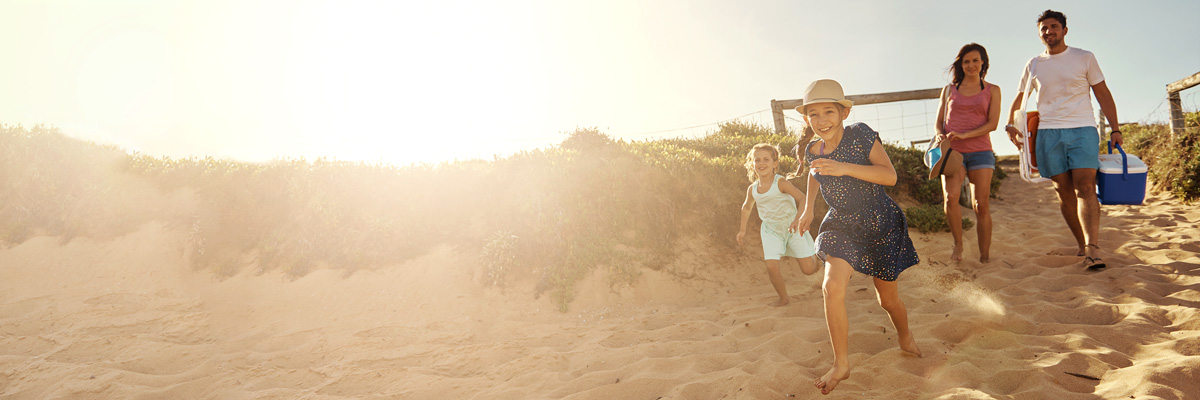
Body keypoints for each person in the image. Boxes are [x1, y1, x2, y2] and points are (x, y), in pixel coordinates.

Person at [795, 79, 922, 395]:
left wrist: (845, 168)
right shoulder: (813, 149)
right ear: (806, 119)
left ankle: (904, 335)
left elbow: (889, 176)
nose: (822, 120)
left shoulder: (861, 135)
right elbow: (815, 173)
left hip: (880, 222)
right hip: (841, 224)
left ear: (843, 113)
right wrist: (809, 208)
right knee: (831, 285)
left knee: (887, 300)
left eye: (828, 112)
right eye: (814, 114)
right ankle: (842, 363)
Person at [1004, 9, 1122, 270]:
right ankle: (1083, 245)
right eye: (1044, 28)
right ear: (1039, 33)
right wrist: (1011, 124)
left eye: (1054, 26)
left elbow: (1102, 93)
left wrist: (1115, 128)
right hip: (1048, 132)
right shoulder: (1033, 64)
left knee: (1085, 187)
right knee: (1063, 191)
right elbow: (1020, 98)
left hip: (1082, 129)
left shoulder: (1084, 57)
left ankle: (1093, 247)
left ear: (1065, 30)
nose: (1049, 31)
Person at [934, 43, 1001, 263]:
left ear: (983, 62)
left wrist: (966, 135)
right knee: (950, 197)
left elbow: (992, 124)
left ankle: (985, 256)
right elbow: (939, 123)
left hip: (981, 151)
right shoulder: (948, 90)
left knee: (980, 205)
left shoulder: (992, 90)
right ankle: (958, 246)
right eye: (966, 61)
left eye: (975, 60)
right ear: (960, 65)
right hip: (953, 154)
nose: (970, 65)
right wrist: (939, 136)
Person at [737, 143, 820, 307]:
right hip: (771, 230)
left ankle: (819, 257)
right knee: (771, 266)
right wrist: (742, 230)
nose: (761, 163)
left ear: (775, 164)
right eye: (757, 160)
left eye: (766, 159)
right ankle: (783, 298)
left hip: (792, 227)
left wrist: (798, 219)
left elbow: (803, 198)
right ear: (752, 164)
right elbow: (746, 208)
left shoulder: (780, 183)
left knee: (808, 270)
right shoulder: (752, 189)